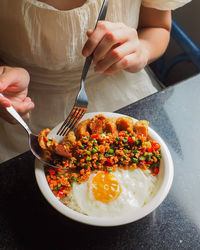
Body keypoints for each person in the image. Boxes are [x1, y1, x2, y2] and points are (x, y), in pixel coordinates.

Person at [0, 0, 191, 163]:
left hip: (125, 94)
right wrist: (3, 77)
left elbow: (158, 27)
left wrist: (142, 50)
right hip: (22, 112)